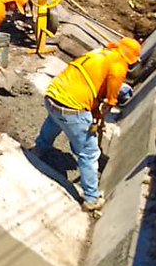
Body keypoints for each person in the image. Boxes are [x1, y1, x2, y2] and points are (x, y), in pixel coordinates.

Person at [34, 37, 141, 211]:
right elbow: (111, 97)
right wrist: (105, 109)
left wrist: (95, 112)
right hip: (71, 108)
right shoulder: (118, 65)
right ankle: (91, 198)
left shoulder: (100, 53)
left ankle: (39, 149)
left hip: (53, 95)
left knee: (54, 121)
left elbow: (91, 85)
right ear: (131, 59)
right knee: (89, 152)